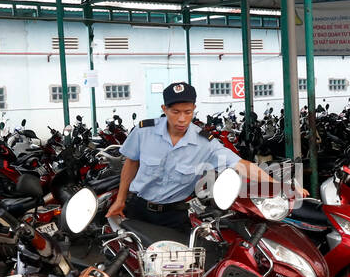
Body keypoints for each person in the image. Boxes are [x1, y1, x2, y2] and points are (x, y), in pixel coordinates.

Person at [106, 81, 302, 231]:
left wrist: (279, 186)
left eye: (187, 112)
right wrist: (121, 199)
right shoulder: (143, 132)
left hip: (174, 216)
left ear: (194, 109)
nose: (181, 119)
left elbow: (241, 165)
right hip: (138, 209)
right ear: (164, 109)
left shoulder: (205, 143)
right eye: (175, 112)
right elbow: (131, 162)